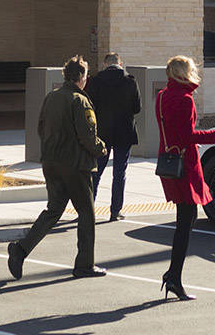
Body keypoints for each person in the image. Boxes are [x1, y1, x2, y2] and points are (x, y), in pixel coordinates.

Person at [7, 55, 108, 280]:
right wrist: (101, 148)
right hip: (75, 165)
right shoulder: (79, 101)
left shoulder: (52, 97)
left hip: (51, 162)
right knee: (86, 214)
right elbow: (87, 136)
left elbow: (41, 128)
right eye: (85, 75)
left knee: (53, 210)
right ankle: (84, 265)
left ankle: (21, 250)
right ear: (81, 77)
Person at [156, 55, 215, 302]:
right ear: (184, 73)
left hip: (170, 161)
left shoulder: (161, 96)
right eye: (192, 69)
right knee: (185, 221)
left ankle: (173, 275)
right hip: (185, 165)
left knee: (187, 217)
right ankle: (174, 279)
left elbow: (173, 132)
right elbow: (188, 135)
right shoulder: (185, 99)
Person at [86, 52, 140, 222]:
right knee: (119, 172)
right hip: (124, 132)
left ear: (105, 64)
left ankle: (88, 210)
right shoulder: (130, 81)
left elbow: (89, 106)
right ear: (120, 63)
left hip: (102, 133)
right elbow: (137, 108)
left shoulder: (95, 81)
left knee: (96, 171)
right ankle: (115, 211)